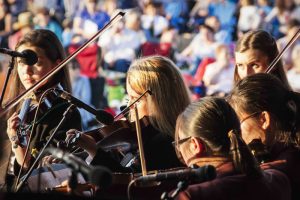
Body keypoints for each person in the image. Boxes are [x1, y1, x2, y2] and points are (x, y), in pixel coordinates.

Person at [65, 55, 191, 172]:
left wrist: (94, 151)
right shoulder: (137, 138)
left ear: (161, 101)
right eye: (129, 97)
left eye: (136, 99)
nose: (129, 106)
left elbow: (128, 183)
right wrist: (69, 159)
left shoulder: (163, 143)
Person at [5, 29, 82, 190]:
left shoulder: (66, 113)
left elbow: (40, 176)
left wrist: (16, 142)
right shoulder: (12, 106)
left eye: (36, 62)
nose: (26, 71)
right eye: (21, 62)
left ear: (57, 64)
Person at [174, 97, 290, 200]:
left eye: (179, 142)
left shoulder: (190, 195)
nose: (179, 149)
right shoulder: (277, 179)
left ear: (195, 145)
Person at [227, 73, 300, 200]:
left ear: (264, 119)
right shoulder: (286, 149)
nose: (234, 130)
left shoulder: (282, 166)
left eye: (238, 121)